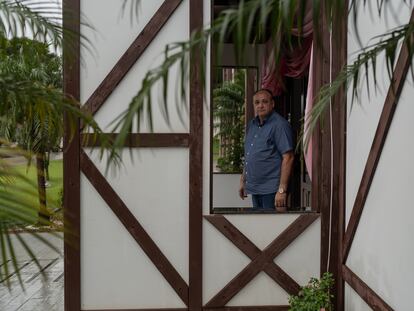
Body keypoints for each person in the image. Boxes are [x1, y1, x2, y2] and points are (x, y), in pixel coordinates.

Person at [239, 89, 294, 210]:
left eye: (264, 101)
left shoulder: (280, 125)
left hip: (272, 191)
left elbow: (288, 157)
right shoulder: (252, 125)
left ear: (272, 104)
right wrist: (243, 180)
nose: (260, 105)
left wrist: (281, 190)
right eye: (257, 102)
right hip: (255, 188)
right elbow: (249, 154)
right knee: (259, 227)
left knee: (272, 227)